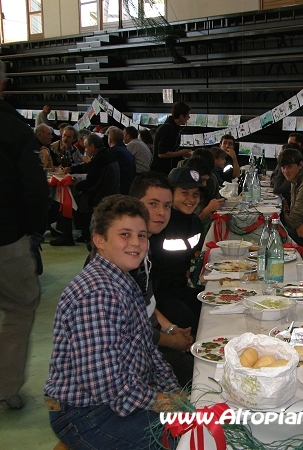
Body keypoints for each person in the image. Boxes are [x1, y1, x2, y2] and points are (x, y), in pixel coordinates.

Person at [44, 195, 181, 449]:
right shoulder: (97, 294)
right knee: (181, 439)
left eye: (141, 235)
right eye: (125, 235)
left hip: (112, 400)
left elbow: (148, 351)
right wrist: (160, 401)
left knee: (192, 421)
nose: (136, 243)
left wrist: (174, 393)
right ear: (99, 240)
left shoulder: (123, 279)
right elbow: (103, 383)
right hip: (85, 411)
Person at [0, 59, 50, 409]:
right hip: (6, 238)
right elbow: (35, 189)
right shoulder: (14, 128)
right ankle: (3, 388)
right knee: (20, 306)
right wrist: (34, 230)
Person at [129, 172, 195, 386]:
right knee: (201, 372)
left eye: (166, 206)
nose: (161, 212)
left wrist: (170, 329)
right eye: (153, 204)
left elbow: (145, 304)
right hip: (129, 359)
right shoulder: (126, 254)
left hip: (147, 336)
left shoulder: (144, 245)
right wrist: (172, 340)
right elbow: (133, 332)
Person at [150, 167, 205, 334]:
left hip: (180, 287)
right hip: (158, 294)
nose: (191, 199)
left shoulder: (195, 223)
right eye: (185, 193)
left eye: (195, 194)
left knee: (210, 311)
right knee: (194, 326)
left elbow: (192, 255)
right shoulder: (159, 223)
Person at [55, 133, 116, 245]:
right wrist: (72, 170)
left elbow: (90, 182)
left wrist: (75, 185)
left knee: (69, 199)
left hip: (97, 195)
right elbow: (87, 167)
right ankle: (82, 233)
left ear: (92, 146)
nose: (86, 150)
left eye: (87, 147)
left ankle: (68, 235)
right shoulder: (105, 155)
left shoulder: (100, 159)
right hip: (106, 191)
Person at [278, 147, 303, 246]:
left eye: (289, 167)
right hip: (300, 226)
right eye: (283, 167)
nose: (285, 171)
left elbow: (292, 221)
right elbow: (293, 215)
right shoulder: (295, 177)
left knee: (272, 230)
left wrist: (283, 212)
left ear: (300, 165)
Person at [150, 101, 192, 174]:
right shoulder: (167, 129)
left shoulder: (174, 128)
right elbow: (161, 154)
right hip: (161, 171)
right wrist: (181, 153)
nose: (188, 118)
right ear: (181, 116)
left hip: (168, 169)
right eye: (187, 116)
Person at [107, 127, 136, 195]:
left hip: (120, 189)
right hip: (129, 187)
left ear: (110, 140)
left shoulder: (111, 153)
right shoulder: (127, 151)